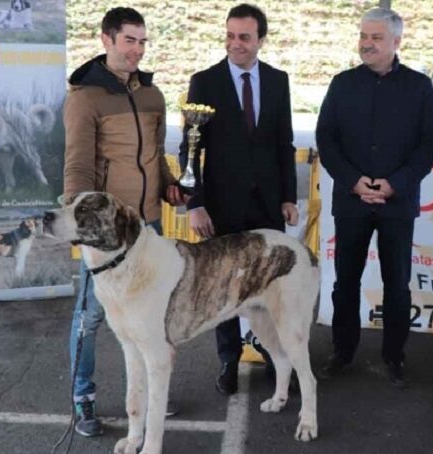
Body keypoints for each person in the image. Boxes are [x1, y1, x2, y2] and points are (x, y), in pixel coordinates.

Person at [63, 7, 185, 437]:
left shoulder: (152, 95)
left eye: (142, 41)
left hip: (149, 227)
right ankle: (83, 396)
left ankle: (152, 395)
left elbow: (154, 154)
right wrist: (80, 220)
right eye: (129, 40)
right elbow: (77, 167)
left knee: (154, 314)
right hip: (106, 235)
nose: (136, 49)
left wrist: (170, 185)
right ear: (106, 40)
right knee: (93, 316)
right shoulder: (83, 98)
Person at [315, 7, 433, 389]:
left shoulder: (419, 87)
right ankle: (342, 351)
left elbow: (429, 144)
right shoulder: (342, 83)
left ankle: (394, 355)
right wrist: (354, 181)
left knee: (397, 284)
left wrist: (395, 183)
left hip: (396, 203)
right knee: (345, 283)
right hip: (351, 202)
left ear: (396, 42)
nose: (367, 44)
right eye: (364, 37)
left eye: (376, 38)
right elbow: (327, 138)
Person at [178, 3, 298, 396]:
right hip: (221, 208)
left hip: (267, 206)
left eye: (244, 37)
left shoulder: (279, 81)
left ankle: (272, 356)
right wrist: (194, 203)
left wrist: (288, 197)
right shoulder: (204, 82)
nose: (235, 44)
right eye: (230, 36)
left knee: (271, 286)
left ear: (261, 39)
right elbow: (190, 150)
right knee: (222, 288)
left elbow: (284, 144)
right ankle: (229, 359)